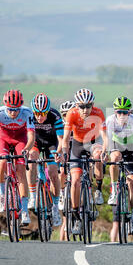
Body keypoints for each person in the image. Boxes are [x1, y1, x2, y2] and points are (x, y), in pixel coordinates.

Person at [61, 88, 107, 235]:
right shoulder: (72, 113)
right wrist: (64, 153)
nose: (85, 109)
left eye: (88, 106)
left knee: (98, 155)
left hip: (93, 142)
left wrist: (105, 149)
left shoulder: (98, 113)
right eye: (81, 106)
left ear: (92, 105)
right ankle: (76, 216)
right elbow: (66, 137)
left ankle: (98, 189)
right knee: (75, 181)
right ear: (76, 106)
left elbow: (105, 137)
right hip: (77, 144)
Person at [0, 90, 35, 225]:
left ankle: (24, 210)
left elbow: (31, 136)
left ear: (21, 107)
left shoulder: (27, 113)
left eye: (16, 110)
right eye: (10, 110)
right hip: (4, 138)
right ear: (5, 106)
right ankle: (2, 194)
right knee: (2, 161)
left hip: (20, 139)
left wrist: (26, 149)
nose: (13, 113)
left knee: (20, 171)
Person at [107, 96, 133, 238]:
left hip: (131, 149)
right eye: (119, 112)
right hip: (117, 146)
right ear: (115, 112)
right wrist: (107, 153)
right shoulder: (110, 120)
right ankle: (114, 189)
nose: (122, 115)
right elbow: (108, 140)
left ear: (129, 112)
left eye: (125, 112)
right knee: (114, 157)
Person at [27, 93, 63, 227]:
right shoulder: (29, 116)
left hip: (51, 143)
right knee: (31, 162)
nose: (39, 116)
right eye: (37, 113)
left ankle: (54, 206)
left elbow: (61, 140)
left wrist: (59, 153)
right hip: (35, 143)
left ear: (48, 111)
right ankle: (32, 196)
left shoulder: (55, 116)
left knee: (53, 173)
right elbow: (28, 137)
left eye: (43, 113)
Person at [58, 100, 76, 241]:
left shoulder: (78, 125)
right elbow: (58, 143)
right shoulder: (61, 126)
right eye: (64, 114)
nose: (66, 117)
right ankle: (62, 194)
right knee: (62, 171)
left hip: (77, 154)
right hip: (65, 155)